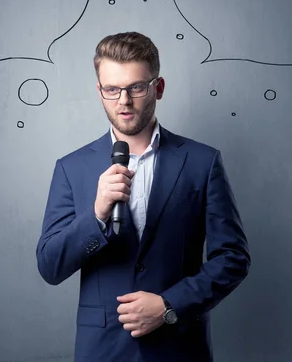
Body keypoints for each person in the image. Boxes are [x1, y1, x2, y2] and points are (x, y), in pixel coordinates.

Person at [36, 32, 251, 362]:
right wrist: (96, 215)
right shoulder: (71, 168)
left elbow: (232, 258)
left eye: (135, 87)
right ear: (100, 91)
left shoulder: (202, 162)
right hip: (102, 351)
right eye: (112, 89)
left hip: (179, 347)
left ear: (158, 87)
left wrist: (169, 306)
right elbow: (50, 266)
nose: (124, 100)